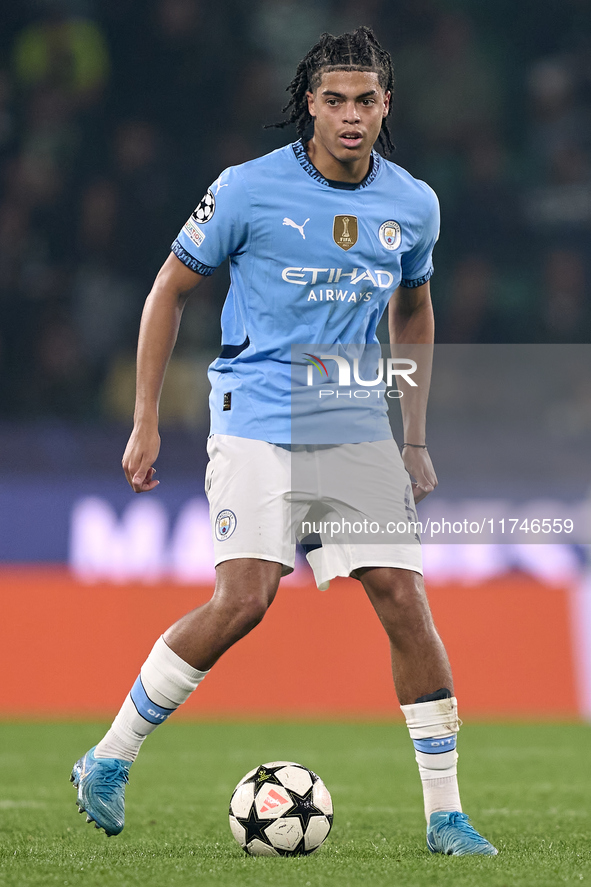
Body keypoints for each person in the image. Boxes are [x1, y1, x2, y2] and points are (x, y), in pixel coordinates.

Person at [71, 27, 497, 857]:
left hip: (351, 420)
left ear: (385, 107)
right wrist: (146, 417)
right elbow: (169, 291)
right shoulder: (244, 189)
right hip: (257, 410)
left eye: (364, 101)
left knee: (404, 601)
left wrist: (413, 434)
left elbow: (414, 310)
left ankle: (446, 814)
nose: (349, 116)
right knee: (246, 600)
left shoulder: (412, 203)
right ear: (308, 103)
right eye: (333, 100)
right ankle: (108, 757)